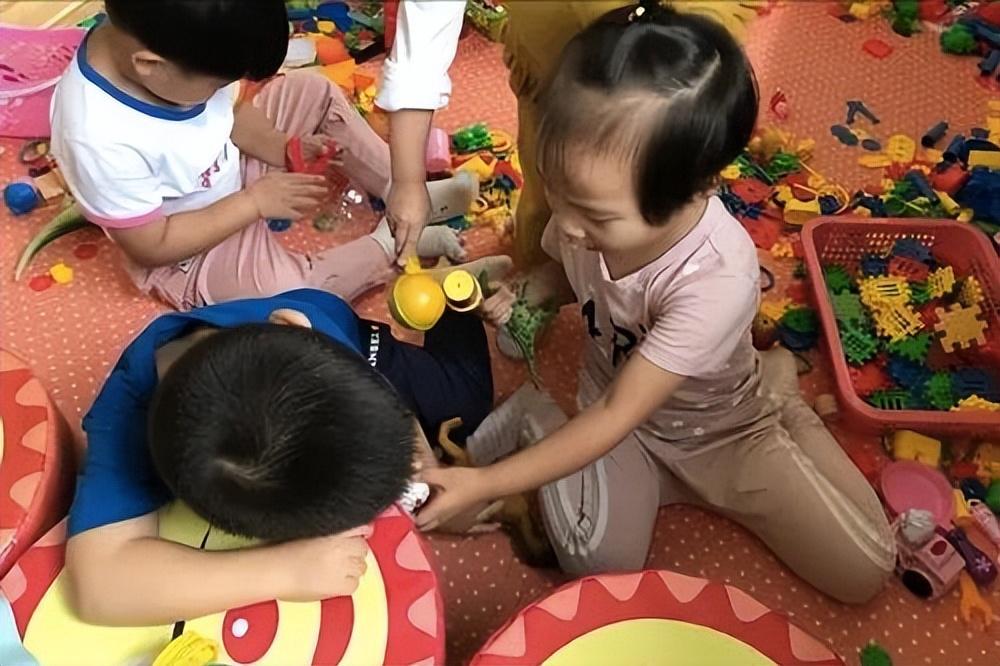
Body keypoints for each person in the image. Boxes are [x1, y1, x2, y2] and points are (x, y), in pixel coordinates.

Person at [416, 5, 896, 605]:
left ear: (694, 191)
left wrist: (485, 482)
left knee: (866, 570)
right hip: (625, 431)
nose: (568, 226)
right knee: (597, 565)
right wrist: (533, 291)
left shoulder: (717, 277)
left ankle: (782, 396)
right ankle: (538, 415)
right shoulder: (584, 215)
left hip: (723, 434)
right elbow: (569, 278)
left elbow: (617, 409)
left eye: (596, 216)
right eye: (557, 192)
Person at [66, 265, 512, 626]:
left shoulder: (313, 343)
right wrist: (286, 569)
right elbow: (99, 586)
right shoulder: (123, 418)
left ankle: (455, 288)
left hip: (357, 338)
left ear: (293, 327)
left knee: (465, 402)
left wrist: (426, 472)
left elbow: (388, 408)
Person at [50, 0, 476, 312]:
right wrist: (253, 203)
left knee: (313, 91)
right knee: (283, 298)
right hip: (189, 248)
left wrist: (283, 147)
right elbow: (151, 246)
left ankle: (403, 192)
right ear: (149, 64)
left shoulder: (181, 51)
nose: (223, 91)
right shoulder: (96, 137)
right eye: (216, 84)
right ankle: (387, 245)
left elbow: (232, 111)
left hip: (230, 167)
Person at [378, 0, 760, 266]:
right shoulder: (560, 112)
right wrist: (408, 180)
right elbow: (423, 37)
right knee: (558, 190)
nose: (568, 226)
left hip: (663, 76)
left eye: (598, 216)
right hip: (560, 58)